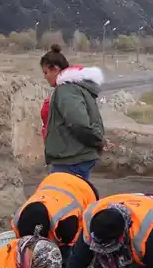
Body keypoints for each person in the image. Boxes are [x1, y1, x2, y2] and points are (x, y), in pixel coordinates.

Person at [39, 45, 104, 181]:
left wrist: (97, 141)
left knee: (63, 199)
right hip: (72, 157)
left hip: (71, 160)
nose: (45, 77)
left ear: (56, 69)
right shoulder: (72, 89)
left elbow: (78, 123)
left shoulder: (66, 91)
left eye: (46, 72)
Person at [12, 172, 99, 260]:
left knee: (74, 254)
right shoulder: (17, 222)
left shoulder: (66, 223)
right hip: (53, 179)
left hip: (83, 189)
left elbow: (72, 246)